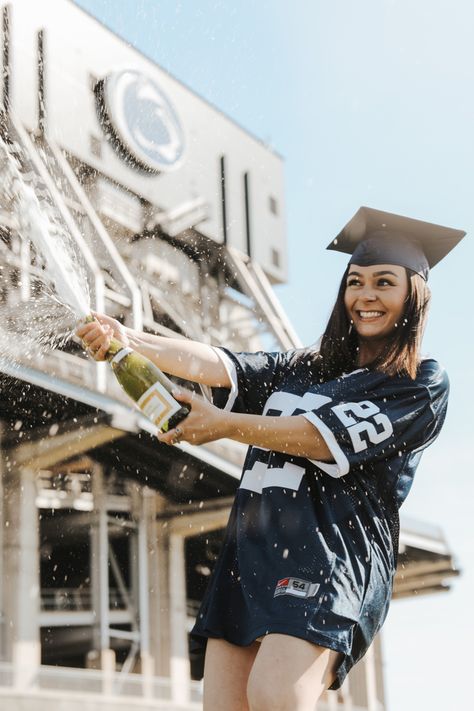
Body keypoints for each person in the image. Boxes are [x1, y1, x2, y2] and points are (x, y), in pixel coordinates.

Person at [76, 206, 465, 711]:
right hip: (250, 555)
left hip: (329, 557)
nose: (365, 296)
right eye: (355, 282)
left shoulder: (420, 382)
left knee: (275, 697)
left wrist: (224, 426)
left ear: (414, 296)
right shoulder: (303, 367)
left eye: (384, 283)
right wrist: (125, 339)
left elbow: (320, 439)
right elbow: (216, 362)